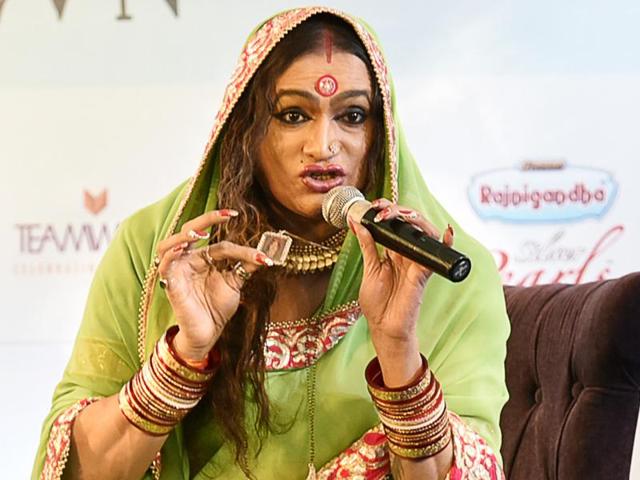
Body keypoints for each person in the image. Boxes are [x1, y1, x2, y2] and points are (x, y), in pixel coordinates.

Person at [33, 7, 509, 480]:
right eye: (294, 114)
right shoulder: (159, 249)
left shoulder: (439, 271)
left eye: (352, 115)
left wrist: (400, 351)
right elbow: (77, 472)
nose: (324, 144)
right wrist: (181, 357)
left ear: (380, 132)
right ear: (245, 129)